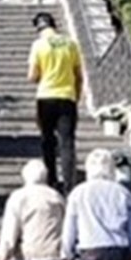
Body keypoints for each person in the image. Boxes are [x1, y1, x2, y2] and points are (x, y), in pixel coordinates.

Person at [27, 12, 83, 194]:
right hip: (67, 96)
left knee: (47, 140)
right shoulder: (71, 43)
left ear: (38, 28)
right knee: (67, 143)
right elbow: (79, 75)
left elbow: (32, 76)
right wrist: (77, 95)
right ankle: (69, 185)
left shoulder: (39, 45)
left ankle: (51, 180)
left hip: (46, 97)